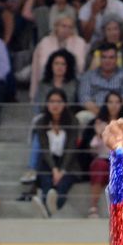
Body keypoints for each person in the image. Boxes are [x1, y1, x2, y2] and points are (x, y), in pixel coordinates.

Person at [32, 88, 81, 216]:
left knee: (62, 184)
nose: (55, 105)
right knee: (46, 181)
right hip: (49, 162)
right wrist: (54, 169)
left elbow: (71, 148)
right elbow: (44, 148)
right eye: (52, 101)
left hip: (68, 163)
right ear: (47, 104)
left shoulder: (73, 121)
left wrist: (62, 170)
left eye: (59, 102)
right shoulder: (41, 122)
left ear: (64, 104)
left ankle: (46, 208)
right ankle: (48, 207)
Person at [84, 90, 123, 216]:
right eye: (110, 102)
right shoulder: (97, 123)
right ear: (105, 104)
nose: (114, 105)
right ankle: (93, 207)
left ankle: (120, 210)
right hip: (102, 158)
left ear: (121, 105)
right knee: (99, 165)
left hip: (120, 159)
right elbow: (92, 149)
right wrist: (99, 134)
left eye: (117, 102)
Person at [29, 13, 88, 100]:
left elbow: (81, 66)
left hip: (72, 83)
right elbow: (39, 68)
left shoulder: (80, 42)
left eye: (70, 27)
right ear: (56, 26)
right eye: (63, 26)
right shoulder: (45, 42)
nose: (66, 29)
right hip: (48, 82)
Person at [77, 40, 123, 118]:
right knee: (81, 116)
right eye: (104, 57)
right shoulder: (88, 76)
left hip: (119, 112)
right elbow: (84, 98)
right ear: (100, 58)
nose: (107, 61)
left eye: (111, 57)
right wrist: (102, 114)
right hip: (94, 112)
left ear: (116, 58)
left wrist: (113, 113)